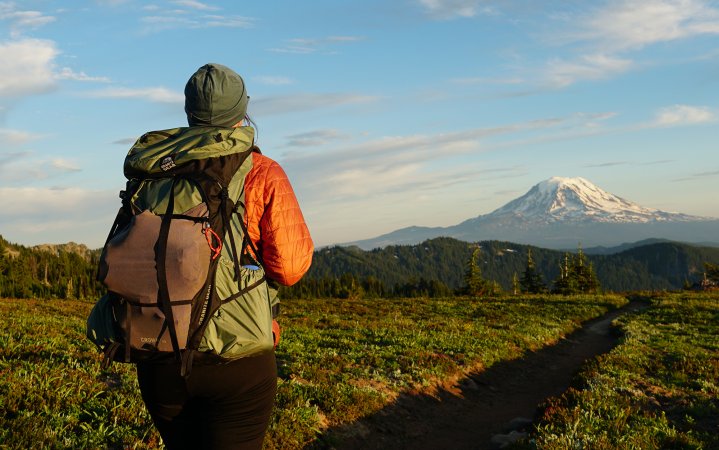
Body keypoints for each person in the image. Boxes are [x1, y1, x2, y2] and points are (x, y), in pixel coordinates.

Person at [135, 63, 314, 450]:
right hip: (239, 358)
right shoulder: (261, 172)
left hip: (158, 351)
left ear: (190, 112)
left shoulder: (153, 172)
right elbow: (291, 267)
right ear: (242, 110)